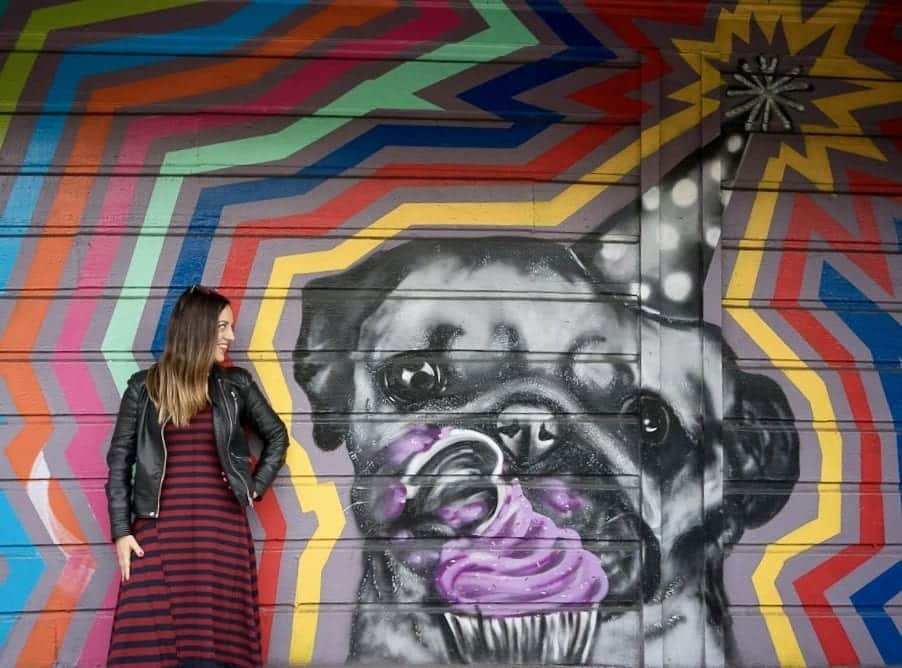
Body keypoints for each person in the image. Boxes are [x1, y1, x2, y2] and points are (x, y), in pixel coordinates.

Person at [105, 285, 288, 667]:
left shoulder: (234, 385)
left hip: (222, 532)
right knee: (145, 645)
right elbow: (119, 461)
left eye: (231, 326)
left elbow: (276, 436)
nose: (231, 336)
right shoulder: (145, 388)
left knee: (217, 645)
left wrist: (254, 487)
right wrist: (122, 531)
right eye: (223, 326)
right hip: (159, 531)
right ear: (198, 328)